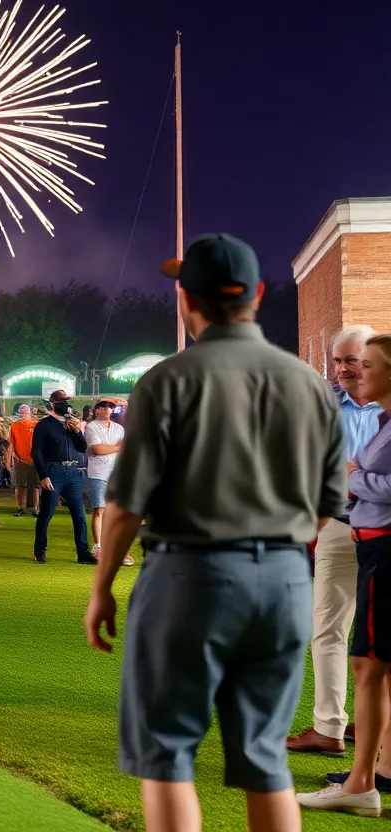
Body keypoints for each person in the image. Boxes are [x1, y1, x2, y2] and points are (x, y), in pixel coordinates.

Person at [85, 234, 346, 831]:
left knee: (168, 757)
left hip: (188, 576)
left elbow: (125, 505)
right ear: (255, 294)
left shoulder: (167, 380)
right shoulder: (309, 384)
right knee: (264, 760)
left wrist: (102, 585)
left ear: (187, 301)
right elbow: (329, 505)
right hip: (282, 578)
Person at [297, 333, 391, 817]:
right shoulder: (323, 403)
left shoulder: (383, 409)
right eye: (338, 361)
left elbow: (361, 474)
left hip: (381, 535)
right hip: (339, 525)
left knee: (373, 658)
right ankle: (331, 730)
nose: (345, 370)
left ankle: (371, 764)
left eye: (356, 362)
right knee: (331, 633)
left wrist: (356, 477)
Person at [31, 391, 95, 565]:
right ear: (52, 404)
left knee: (80, 515)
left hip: (73, 471)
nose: (65, 404)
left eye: (67, 401)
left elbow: (82, 447)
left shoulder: (72, 424)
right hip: (53, 471)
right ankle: (40, 550)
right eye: (61, 401)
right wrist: (42, 475)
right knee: (46, 513)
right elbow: (36, 452)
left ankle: (83, 552)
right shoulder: (44, 425)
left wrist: (77, 431)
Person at [84, 400, 130, 565]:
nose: (107, 409)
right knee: (99, 510)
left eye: (110, 407)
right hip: (98, 472)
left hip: (117, 473)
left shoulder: (119, 429)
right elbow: (97, 449)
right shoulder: (92, 427)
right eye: (103, 407)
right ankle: (98, 546)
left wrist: (113, 447)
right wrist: (118, 447)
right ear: (96, 410)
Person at [7, 404, 40, 517]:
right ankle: (21, 507)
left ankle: (35, 508)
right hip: (20, 460)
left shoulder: (36, 425)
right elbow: (11, 443)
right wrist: (9, 460)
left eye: (25, 411)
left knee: (35, 486)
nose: (23, 413)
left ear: (30, 412)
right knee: (19, 485)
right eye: (21, 411)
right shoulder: (14, 425)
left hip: (34, 460)